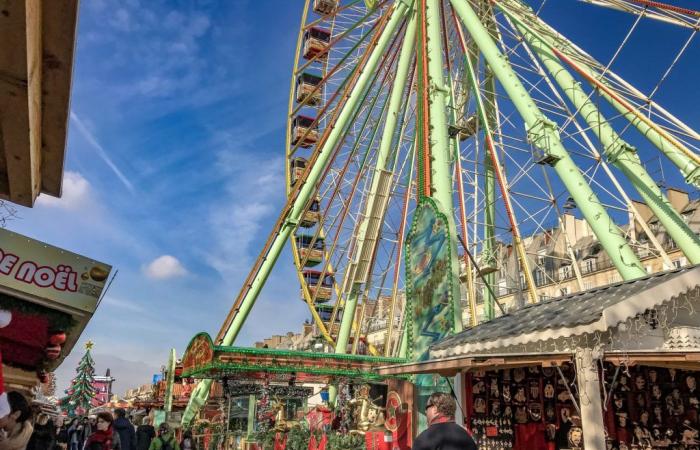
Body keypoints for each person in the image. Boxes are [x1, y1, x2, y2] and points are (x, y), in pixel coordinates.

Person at [412, 392, 477, 450]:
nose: (425, 411)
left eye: (427, 408)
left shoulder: (425, 439)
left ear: (435, 409)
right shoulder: (467, 437)